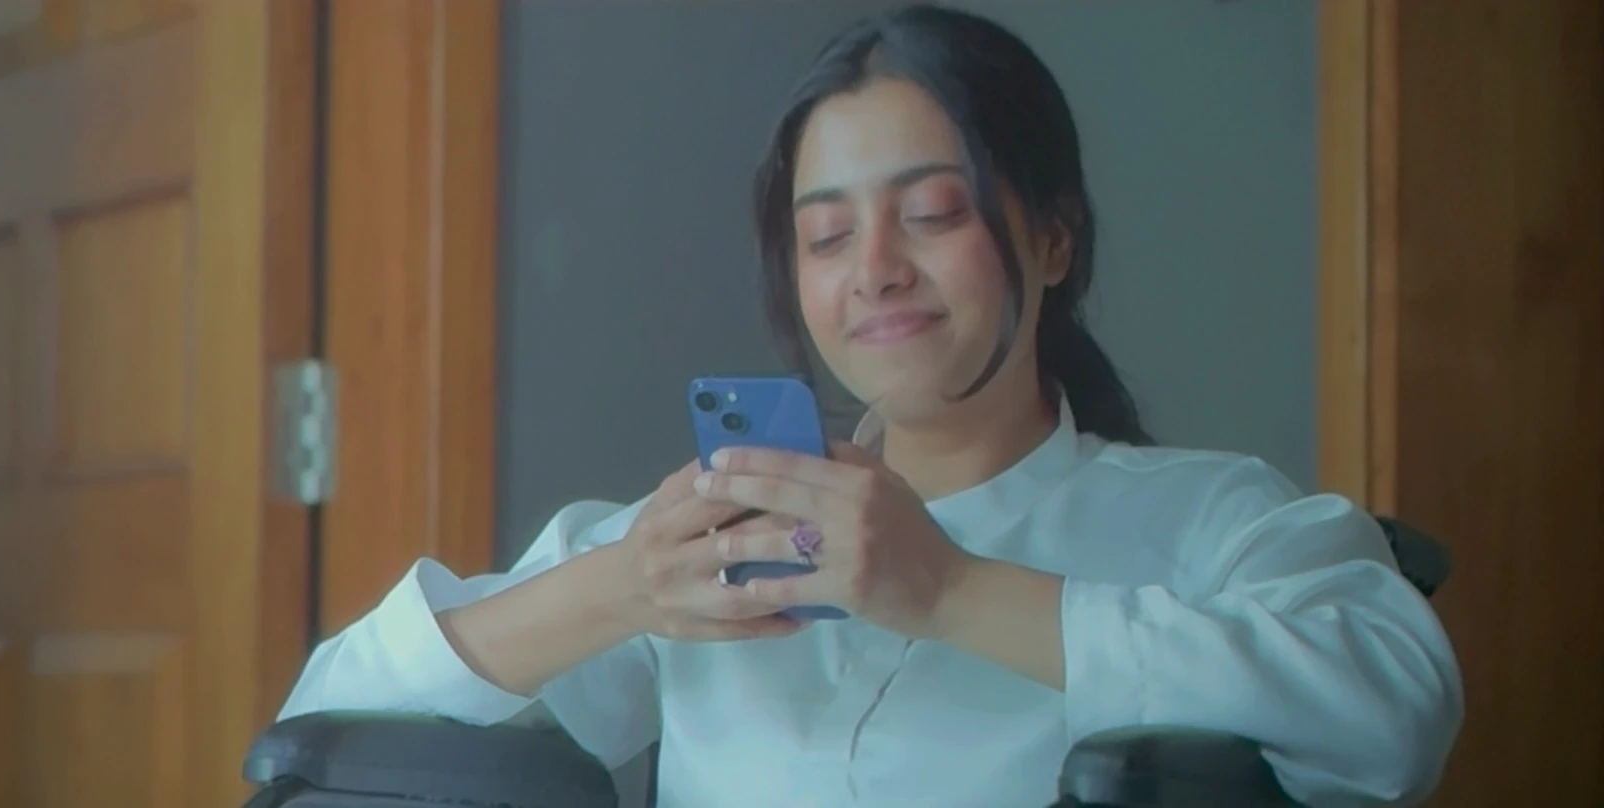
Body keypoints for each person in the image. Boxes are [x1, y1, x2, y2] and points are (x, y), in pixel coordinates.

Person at [278, 5, 1463, 806]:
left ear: (1054, 238)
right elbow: (318, 734)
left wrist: (946, 590)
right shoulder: (709, 540)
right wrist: (620, 587)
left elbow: (1393, 714)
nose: (876, 270)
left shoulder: (1210, 521)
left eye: (933, 214)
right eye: (827, 235)